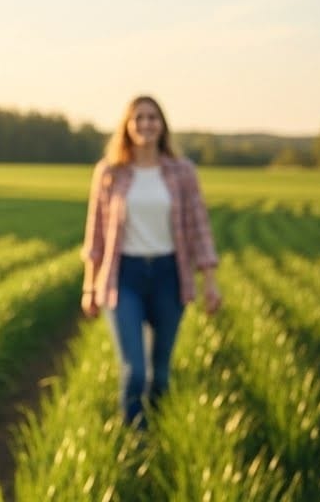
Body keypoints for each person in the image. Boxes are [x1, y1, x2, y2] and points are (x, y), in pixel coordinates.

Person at [81, 95, 221, 428]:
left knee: (160, 373)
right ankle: (135, 440)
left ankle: (160, 429)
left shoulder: (182, 172)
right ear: (127, 126)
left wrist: (210, 282)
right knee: (135, 371)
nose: (146, 124)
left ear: (162, 125)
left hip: (168, 275)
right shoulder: (110, 172)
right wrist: (89, 286)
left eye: (152, 118)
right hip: (123, 277)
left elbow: (200, 227)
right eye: (138, 118)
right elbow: (95, 234)